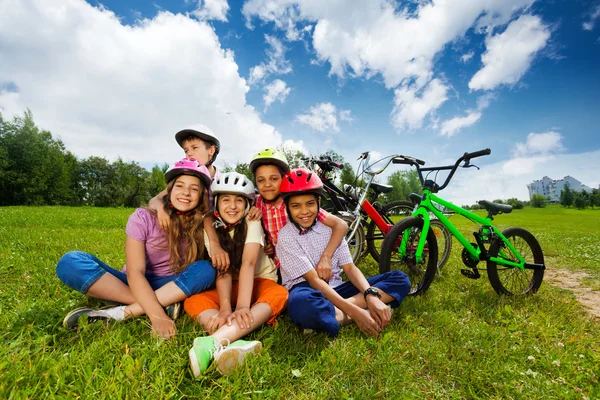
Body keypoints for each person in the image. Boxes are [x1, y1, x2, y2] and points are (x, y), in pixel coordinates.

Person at [56, 158, 217, 339]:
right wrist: (157, 315)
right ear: (169, 190)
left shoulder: (203, 222)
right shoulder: (143, 217)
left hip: (173, 284)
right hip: (133, 281)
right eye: (180, 186)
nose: (186, 193)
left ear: (202, 194)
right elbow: (135, 273)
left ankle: (119, 312)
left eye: (194, 189)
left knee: (206, 270)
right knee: (70, 262)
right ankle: (163, 303)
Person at [276, 168, 411, 337]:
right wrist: (356, 312)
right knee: (300, 304)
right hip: (308, 288)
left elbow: (349, 268)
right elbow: (315, 281)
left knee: (401, 279)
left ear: (318, 201)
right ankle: (357, 312)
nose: (304, 211)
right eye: (296, 206)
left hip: (338, 288)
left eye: (310, 203)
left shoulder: (331, 229)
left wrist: (370, 295)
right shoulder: (285, 236)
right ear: (287, 207)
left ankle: (338, 314)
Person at [185, 172, 288, 377]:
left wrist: (241, 307)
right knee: (193, 301)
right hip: (230, 283)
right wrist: (224, 308)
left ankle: (211, 342)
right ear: (217, 203)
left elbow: (249, 264)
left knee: (280, 295)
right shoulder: (212, 227)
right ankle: (232, 340)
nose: (232, 206)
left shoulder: (252, 220)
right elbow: (223, 271)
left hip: (259, 281)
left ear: (247, 203)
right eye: (226, 200)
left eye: (238, 200)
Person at [246, 149, 348, 282]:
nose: (267, 184)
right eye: (261, 180)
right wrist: (268, 244)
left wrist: (326, 257)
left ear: (284, 179)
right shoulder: (256, 203)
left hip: (306, 264)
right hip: (278, 268)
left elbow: (341, 225)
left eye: (274, 178)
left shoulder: (295, 203)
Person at [148, 124, 231, 272]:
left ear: (211, 150)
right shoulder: (186, 176)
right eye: (186, 150)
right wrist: (161, 209)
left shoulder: (223, 180)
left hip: (219, 234)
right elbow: (155, 200)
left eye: (194, 148)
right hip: (192, 237)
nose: (189, 154)